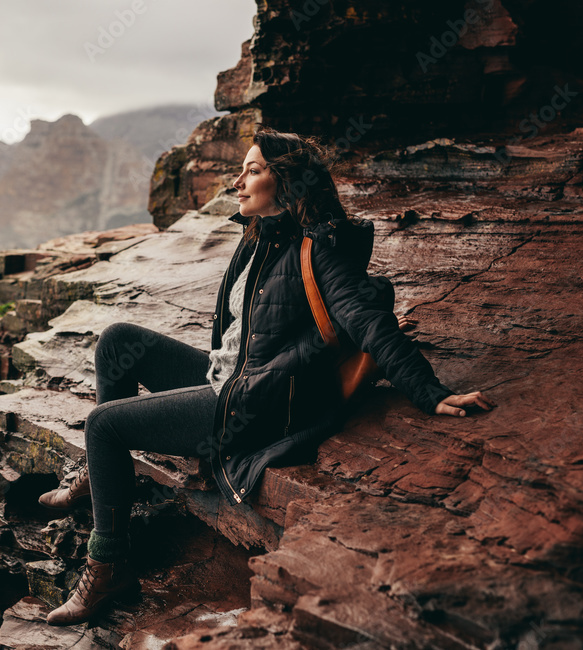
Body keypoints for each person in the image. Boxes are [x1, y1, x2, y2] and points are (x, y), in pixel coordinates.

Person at [39, 124, 496, 626]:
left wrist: (429, 393)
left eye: (252, 171)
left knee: (105, 425)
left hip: (251, 403)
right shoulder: (259, 234)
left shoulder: (319, 247)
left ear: (287, 182)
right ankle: (103, 476)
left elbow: (367, 320)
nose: (238, 181)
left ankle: (109, 569)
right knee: (118, 341)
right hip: (225, 376)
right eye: (241, 170)